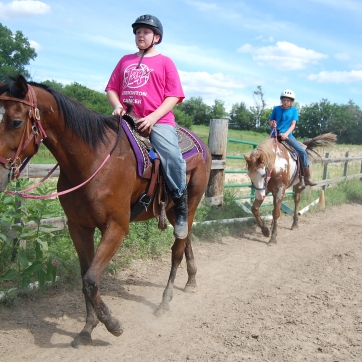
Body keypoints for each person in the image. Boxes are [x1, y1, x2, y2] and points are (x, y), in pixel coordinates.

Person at [105, 14, 188, 239]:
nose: (140, 35)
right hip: (127, 118)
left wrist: (152, 118)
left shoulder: (165, 62)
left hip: (158, 121)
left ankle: (181, 208)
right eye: (138, 32)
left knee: (172, 157)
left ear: (157, 38)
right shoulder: (125, 60)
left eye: (146, 32)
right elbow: (112, 88)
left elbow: (174, 95)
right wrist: (117, 106)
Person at [269, 89, 316, 186]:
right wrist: (272, 123)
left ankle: (306, 177)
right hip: (274, 135)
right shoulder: (276, 109)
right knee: (262, 150)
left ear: (291, 102)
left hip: (288, 136)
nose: (286, 102)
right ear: (281, 100)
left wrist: (286, 134)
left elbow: (293, 124)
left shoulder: (294, 110)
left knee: (302, 151)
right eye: (284, 100)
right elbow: (270, 121)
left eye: (288, 101)